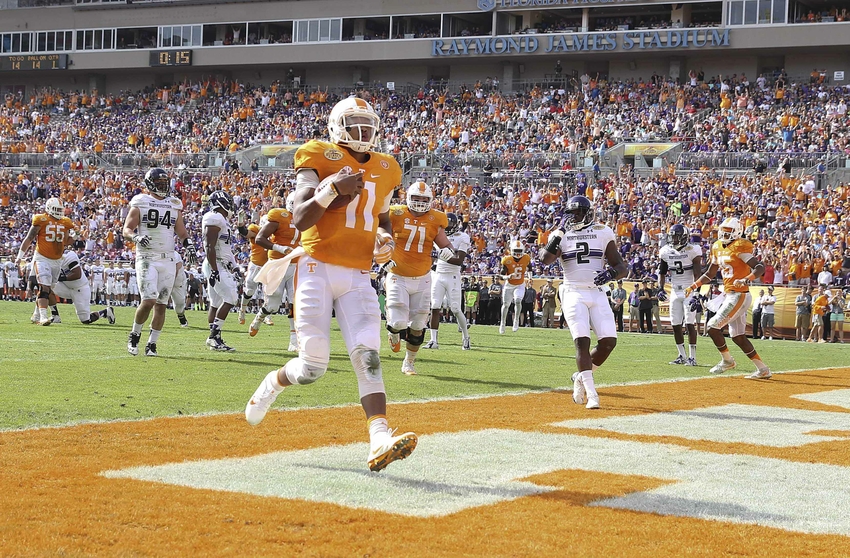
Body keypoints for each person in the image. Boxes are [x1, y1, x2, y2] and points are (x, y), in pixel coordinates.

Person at [244, 96, 417, 473]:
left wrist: (385, 240)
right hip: (316, 267)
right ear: (337, 125)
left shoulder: (389, 167)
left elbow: (383, 218)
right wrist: (331, 189)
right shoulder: (317, 154)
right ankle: (273, 382)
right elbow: (303, 217)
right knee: (312, 366)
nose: (364, 130)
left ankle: (379, 438)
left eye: (368, 122)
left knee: (367, 353)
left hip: (358, 274)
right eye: (354, 122)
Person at [539, 195, 627, 410]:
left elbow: (622, 266)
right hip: (572, 291)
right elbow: (545, 259)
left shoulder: (602, 231)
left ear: (588, 213)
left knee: (609, 342)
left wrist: (610, 274)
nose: (574, 217)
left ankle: (580, 377)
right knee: (582, 341)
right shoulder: (562, 233)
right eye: (571, 213)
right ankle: (592, 394)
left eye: (578, 212)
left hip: (596, 292)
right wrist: (556, 236)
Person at [685, 217, 771, 379]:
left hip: (739, 294)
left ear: (737, 232)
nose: (724, 233)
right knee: (738, 336)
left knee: (712, 326)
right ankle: (763, 369)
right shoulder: (717, 247)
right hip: (731, 294)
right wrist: (693, 286)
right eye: (723, 230)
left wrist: (748, 278)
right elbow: (710, 274)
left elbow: (760, 267)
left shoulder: (740, 247)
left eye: (729, 231)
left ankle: (727, 360)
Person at [122, 168, 195, 356]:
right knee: (148, 300)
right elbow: (127, 229)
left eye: (164, 183)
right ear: (150, 183)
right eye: (159, 183)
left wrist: (189, 245)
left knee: (161, 304)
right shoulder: (140, 202)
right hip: (147, 257)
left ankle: (152, 344)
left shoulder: (173, 204)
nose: (163, 186)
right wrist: (136, 238)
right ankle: (135, 334)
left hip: (168, 258)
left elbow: (182, 232)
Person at [383, 181, 454, 374]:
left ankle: (409, 362)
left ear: (431, 200)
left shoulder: (436, 218)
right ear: (408, 198)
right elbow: (380, 237)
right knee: (398, 323)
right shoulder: (395, 213)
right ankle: (393, 331)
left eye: (424, 199)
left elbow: (445, 244)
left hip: (423, 277)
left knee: (418, 324)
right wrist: (382, 257)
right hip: (398, 274)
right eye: (416, 198)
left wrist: (447, 251)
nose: (420, 202)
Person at [250, 193, 300, 352]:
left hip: (296, 265)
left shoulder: (306, 218)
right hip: (278, 263)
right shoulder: (279, 215)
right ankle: (259, 318)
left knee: (295, 302)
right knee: (273, 304)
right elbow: (260, 238)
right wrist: (279, 248)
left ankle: (294, 340)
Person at [15, 197, 76, 326]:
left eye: (60, 209)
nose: (58, 212)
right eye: (55, 209)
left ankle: (36, 313)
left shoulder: (66, 222)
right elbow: (29, 238)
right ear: (48, 209)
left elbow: (65, 242)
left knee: (48, 289)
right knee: (44, 287)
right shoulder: (41, 219)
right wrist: (19, 256)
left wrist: (75, 237)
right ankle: (43, 317)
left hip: (57, 260)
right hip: (42, 257)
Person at [424, 212, 470, 350]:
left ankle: (466, 337)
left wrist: (441, 256)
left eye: (450, 223)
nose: (447, 226)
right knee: (435, 306)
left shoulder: (462, 237)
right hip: (439, 274)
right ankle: (433, 341)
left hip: (453, 275)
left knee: (455, 308)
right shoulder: (438, 236)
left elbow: (459, 261)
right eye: (446, 223)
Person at [658, 224, 702, 365]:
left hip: (689, 289)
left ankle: (692, 357)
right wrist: (660, 288)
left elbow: (697, 274)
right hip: (675, 291)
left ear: (683, 237)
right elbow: (662, 272)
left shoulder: (692, 250)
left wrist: (696, 293)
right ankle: (681, 355)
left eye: (676, 237)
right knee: (675, 324)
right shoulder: (665, 251)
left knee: (689, 323)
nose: (673, 240)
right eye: (672, 237)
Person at [202, 190, 240, 352]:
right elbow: (209, 246)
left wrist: (235, 266)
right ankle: (214, 337)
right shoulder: (214, 217)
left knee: (216, 303)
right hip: (214, 264)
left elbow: (225, 249)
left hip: (218, 263)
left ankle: (214, 338)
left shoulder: (221, 220)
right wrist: (215, 269)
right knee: (231, 298)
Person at [51, 250, 116, 325]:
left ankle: (105, 312)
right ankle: (54, 315)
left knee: (85, 320)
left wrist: (59, 278)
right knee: (46, 286)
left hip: (80, 288)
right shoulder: (50, 257)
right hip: (66, 286)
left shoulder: (69, 256)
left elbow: (77, 274)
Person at [238, 215, 269, 325]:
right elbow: (245, 232)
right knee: (250, 291)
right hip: (256, 264)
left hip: (268, 265)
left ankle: (265, 315)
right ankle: (242, 310)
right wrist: (240, 224)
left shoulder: (274, 233)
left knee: (269, 291)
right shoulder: (256, 229)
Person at [499, 239, 532, 334]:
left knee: (518, 301)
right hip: (509, 285)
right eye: (516, 251)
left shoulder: (526, 257)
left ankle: (516, 320)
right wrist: (508, 276)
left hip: (520, 284)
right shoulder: (507, 260)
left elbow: (530, 268)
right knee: (506, 305)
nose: (518, 253)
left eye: (519, 251)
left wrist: (530, 278)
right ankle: (503, 323)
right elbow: (501, 276)